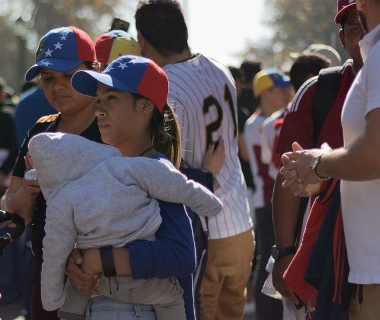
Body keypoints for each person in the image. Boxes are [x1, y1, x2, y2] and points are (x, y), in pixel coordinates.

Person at [134, 1, 253, 318]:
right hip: (241, 223)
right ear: (184, 32)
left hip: (205, 233)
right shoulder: (220, 67)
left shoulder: (165, 86)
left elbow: (166, 171)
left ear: (142, 41)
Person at [32, 123, 220, 318]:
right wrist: (210, 203)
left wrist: (52, 296)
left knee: (69, 308)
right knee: (172, 298)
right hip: (145, 283)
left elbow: (54, 250)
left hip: (95, 283)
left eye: (111, 99)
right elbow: (179, 186)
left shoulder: (62, 200)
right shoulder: (127, 168)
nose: (100, 112)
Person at [279, 0, 377, 317]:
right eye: (352, 27)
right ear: (341, 37)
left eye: (363, 22)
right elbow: (287, 173)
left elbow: (373, 154)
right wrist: (284, 250)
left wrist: (319, 166)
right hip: (345, 255)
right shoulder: (321, 90)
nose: (360, 33)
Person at [1, 26, 102, 320]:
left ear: (93, 71)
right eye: (48, 79)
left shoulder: (113, 126)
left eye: (69, 77)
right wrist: (28, 192)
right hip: (47, 275)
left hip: (104, 278)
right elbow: (13, 209)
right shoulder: (40, 130)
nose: (57, 87)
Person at [244, 69, 292, 319]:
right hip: (266, 200)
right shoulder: (256, 125)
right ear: (265, 92)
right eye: (280, 89)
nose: (286, 93)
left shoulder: (267, 122)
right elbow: (269, 165)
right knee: (267, 262)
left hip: (276, 199)